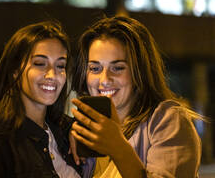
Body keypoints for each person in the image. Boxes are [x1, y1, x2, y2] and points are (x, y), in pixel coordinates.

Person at [70, 15, 202, 178]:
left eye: (118, 68)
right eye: (95, 68)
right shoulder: (84, 134)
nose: (104, 80)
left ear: (139, 72)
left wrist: (118, 148)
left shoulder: (167, 120)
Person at [0, 21, 82, 178]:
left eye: (60, 66)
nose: (52, 75)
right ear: (15, 70)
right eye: (40, 64)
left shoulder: (67, 132)